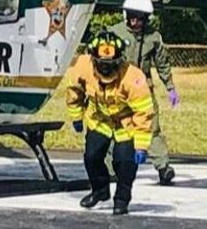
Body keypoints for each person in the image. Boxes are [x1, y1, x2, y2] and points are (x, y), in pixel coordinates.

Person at [66, 30, 154, 215]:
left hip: (126, 124)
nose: (105, 69)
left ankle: (121, 200)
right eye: (101, 64)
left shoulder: (133, 77)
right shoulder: (82, 66)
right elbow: (74, 92)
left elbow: (143, 113)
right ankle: (100, 190)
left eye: (110, 65)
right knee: (91, 157)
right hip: (99, 120)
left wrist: (141, 146)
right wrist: (76, 117)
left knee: (124, 163)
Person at [110, 0, 178, 186]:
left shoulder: (154, 38)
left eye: (140, 18)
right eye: (133, 17)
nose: (136, 21)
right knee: (116, 127)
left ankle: (163, 167)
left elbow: (163, 64)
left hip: (144, 91)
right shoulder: (115, 34)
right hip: (120, 89)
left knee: (152, 128)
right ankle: (108, 168)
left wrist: (170, 88)